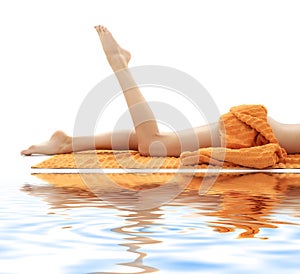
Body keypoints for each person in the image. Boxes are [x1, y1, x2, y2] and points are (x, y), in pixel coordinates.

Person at [21, 25, 300, 158]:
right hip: (251, 132)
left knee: (153, 141)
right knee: (153, 144)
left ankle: (67, 142)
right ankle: (119, 64)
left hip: (254, 130)